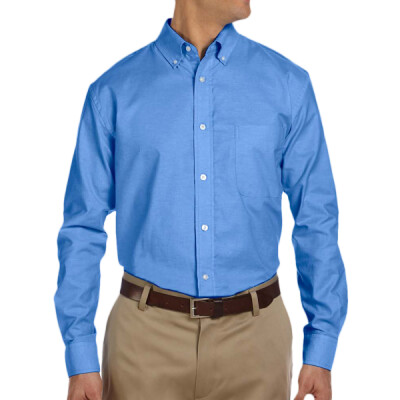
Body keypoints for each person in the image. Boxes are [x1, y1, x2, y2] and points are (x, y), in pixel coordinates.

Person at [55, 0, 348, 399]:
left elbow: (316, 218)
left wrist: (322, 346)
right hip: (143, 343)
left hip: (255, 342)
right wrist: (80, 356)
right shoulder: (113, 92)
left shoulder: (287, 86)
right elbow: (82, 227)